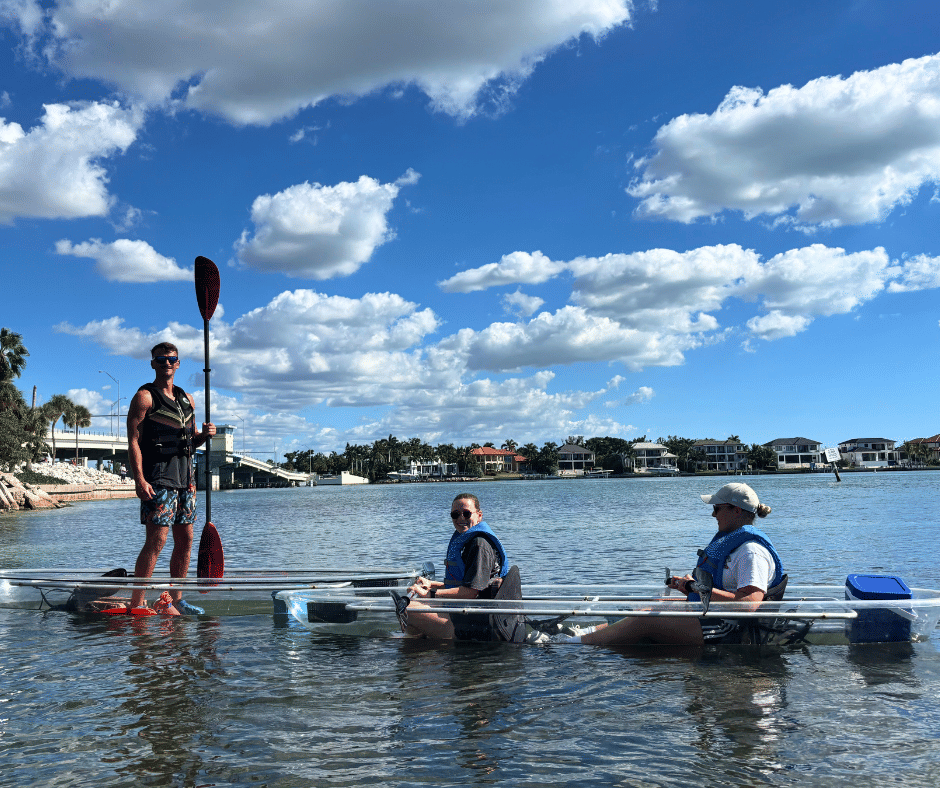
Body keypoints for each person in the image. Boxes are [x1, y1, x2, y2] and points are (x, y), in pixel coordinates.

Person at [579, 482, 785, 646]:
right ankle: (585, 633)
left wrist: (696, 588)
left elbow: (748, 605)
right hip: (715, 616)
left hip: (729, 628)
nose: (713, 515)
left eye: (717, 508)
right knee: (655, 606)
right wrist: (689, 589)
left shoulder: (751, 552)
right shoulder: (735, 546)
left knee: (648, 619)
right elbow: (724, 591)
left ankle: (574, 644)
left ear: (737, 511)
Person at [126, 342, 215, 615]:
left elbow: (189, 442)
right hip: (159, 479)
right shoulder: (145, 397)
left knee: (186, 538)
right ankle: (137, 602)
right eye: (161, 359)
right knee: (157, 540)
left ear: (178, 363)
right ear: (153, 363)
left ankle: (176, 599)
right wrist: (139, 480)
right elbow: (133, 441)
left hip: (186, 480)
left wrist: (203, 436)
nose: (166, 363)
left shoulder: (187, 399)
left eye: (171, 359)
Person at [402, 493, 522, 641]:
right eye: (455, 514)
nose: (461, 518)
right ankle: (424, 646)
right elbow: (469, 585)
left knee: (406, 607)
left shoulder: (479, 545)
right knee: (415, 616)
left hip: (477, 622)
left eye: (466, 513)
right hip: (469, 612)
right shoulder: (469, 543)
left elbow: (470, 592)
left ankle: (436, 646)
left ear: (479, 516)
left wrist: (431, 594)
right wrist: (432, 585)